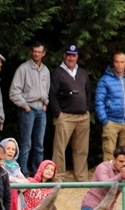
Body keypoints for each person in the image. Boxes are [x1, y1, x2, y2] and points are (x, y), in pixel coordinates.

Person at [49, 44, 91, 181]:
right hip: (65, 116)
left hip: (83, 116)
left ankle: (81, 176)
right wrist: (58, 113)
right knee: (59, 148)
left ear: (77, 57)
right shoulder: (57, 73)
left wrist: (87, 109)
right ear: (64, 56)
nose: (71, 58)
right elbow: (52, 95)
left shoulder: (82, 73)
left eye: (74, 55)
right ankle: (59, 175)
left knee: (81, 149)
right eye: (68, 55)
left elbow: (88, 92)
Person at [9, 42, 49, 176]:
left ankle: (38, 174)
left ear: (43, 53)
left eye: (39, 52)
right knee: (26, 144)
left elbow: (47, 90)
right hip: (29, 108)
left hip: (41, 109)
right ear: (31, 52)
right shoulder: (23, 69)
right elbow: (14, 91)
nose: (36, 54)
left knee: (39, 145)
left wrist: (46, 104)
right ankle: (23, 173)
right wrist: (25, 106)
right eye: (34, 51)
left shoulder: (46, 71)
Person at [95, 53, 125, 161]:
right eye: (116, 62)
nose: (119, 65)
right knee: (109, 153)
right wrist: (104, 120)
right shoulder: (105, 80)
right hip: (111, 121)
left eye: (122, 62)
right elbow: (99, 101)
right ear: (113, 63)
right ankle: (109, 177)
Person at [0, 138, 27, 210]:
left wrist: (13, 180)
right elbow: (6, 178)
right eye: (8, 148)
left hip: (16, 199)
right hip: (3, 197)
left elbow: (25, 184)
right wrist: (18, 181)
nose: (11, 151)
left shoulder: (16, 166)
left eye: (13, 149)